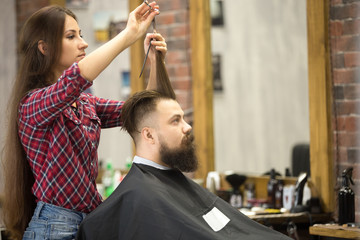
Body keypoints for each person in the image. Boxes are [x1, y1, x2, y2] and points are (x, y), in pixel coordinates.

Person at [1, 2, 167, 239]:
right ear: (44, 48)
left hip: (90, 222)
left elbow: (144, 112)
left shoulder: (85, 103)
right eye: (71, 36)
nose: (84, 43)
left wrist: (154, 63)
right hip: (53, 228)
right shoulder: (33, 105)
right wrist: (129, 34)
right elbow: (74, 79)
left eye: (81, 34)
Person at [76, 90, 292, 239]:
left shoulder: (165, 181)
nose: (187, 127)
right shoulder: (139, 195)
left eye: (183, 119)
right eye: (175, 121)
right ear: (149, 135)